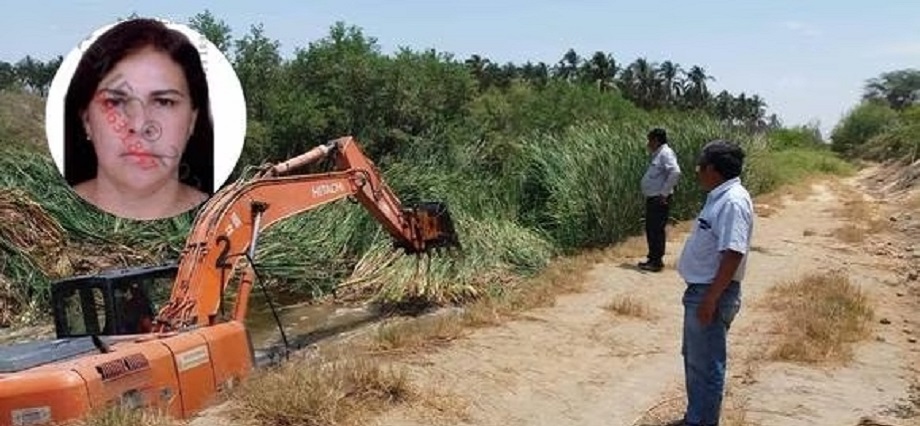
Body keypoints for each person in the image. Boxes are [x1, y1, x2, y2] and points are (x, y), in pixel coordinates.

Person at [63, 18, 214, 220]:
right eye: (115, 102)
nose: (139, 124)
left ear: (192, 120)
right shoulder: (45, 214)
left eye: (164, 102)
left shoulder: (231, 218)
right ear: (86, 121)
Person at [675, 140, 754, 426]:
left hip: (712, 292)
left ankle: (702, 421)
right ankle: (695, 417)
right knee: (696, 359)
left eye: (700, 166)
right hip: (704, 291)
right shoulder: (720, 196)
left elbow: (733, 253)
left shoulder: (732, 201)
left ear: (713, 170)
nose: (697, 172)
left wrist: (711, 298)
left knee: (707, 364)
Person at [639, 128, 681, 272]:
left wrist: (664, 193)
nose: (648, 144)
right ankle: (652, 259)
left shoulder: (665, 153)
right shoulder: (659, 154)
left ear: (656, 140)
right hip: (654, 197)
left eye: (650, 140)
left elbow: (675, 172)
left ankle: (656, 262)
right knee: (651, 228)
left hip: (659, 198)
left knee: (656, 229)